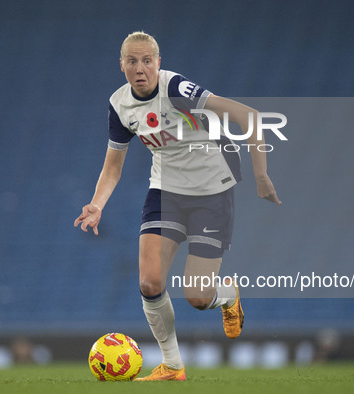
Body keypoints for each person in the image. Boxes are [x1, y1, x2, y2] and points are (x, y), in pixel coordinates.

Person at [74, 31, 281, 381]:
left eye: (147, 60)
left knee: (198, 297)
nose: (140, 68)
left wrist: (261, 174)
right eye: (132, 61)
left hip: (211, 191)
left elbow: (249, 116)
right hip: (165, 191)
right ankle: (172, 365)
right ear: (121, 65)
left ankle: (228, 296)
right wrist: (97, 204)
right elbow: (113, 165)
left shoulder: (177, 90)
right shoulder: (119, 104)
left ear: (159, 62)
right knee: (149, 283)